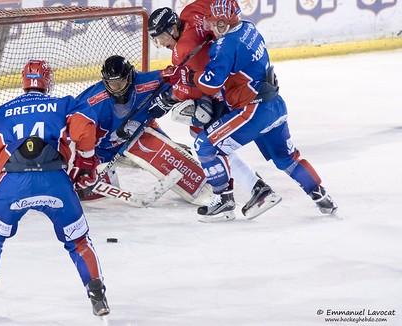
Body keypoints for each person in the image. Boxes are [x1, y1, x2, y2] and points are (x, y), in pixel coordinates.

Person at [157, 0, 337, 219]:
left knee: (204, 145)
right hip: (276, 106)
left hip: (253, 110)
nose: (210, 29)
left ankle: (223, 201)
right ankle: (321, 197)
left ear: (224, 23)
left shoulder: (225, 46)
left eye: (214, 24)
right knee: (287, 159)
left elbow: (210, 83)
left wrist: (190, 76)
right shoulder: (249, 27)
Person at [0, 59, 109, 316]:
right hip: (55, 181)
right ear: (48, 81)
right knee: (78, 240)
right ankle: (98, 295)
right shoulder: (63, 104)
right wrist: (86, 161)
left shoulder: (1, 112)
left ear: (24, 81)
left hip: (13, 183)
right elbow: (86, 128)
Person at [146, 3, 281, 220]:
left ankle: (237, 195)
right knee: (203, 136)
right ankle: (252, 189)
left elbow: (195, 87)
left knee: (207, 140)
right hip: (229, 76)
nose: (161, 44)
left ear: (172, 30)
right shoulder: (190, 13)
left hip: (224, 89)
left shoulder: (183, 49)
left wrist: (169, 98)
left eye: (161, 38)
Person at [74, 55, 212, 205]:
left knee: (180, 161)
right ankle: (107, 174)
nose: (116, 88)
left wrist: (170, 97)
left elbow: (181, 76)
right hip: (102, 148)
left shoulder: (147, 82)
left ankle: (187, 161)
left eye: (120, 82)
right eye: (112, 84)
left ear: (130, 76)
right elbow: (69, 121)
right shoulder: (93, 100)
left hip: (142, 132)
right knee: (82, 189)